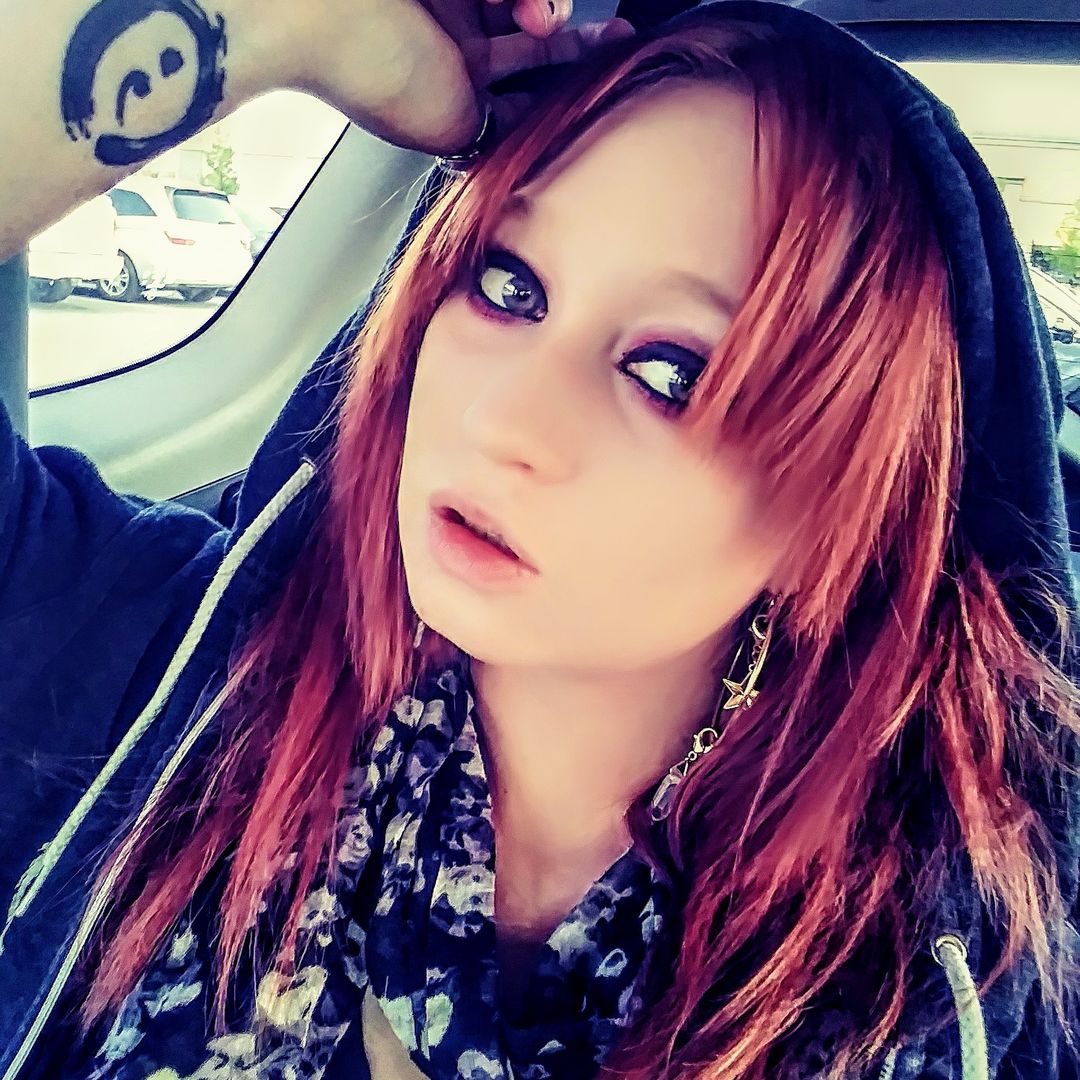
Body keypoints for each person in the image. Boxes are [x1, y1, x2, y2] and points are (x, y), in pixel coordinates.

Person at [0, 0, 1076, 1078]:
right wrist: (290, 22)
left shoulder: (920, 998)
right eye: (509, 287)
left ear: (837, 516)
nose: (501, 419)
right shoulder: (177, 670)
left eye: (669, 373)